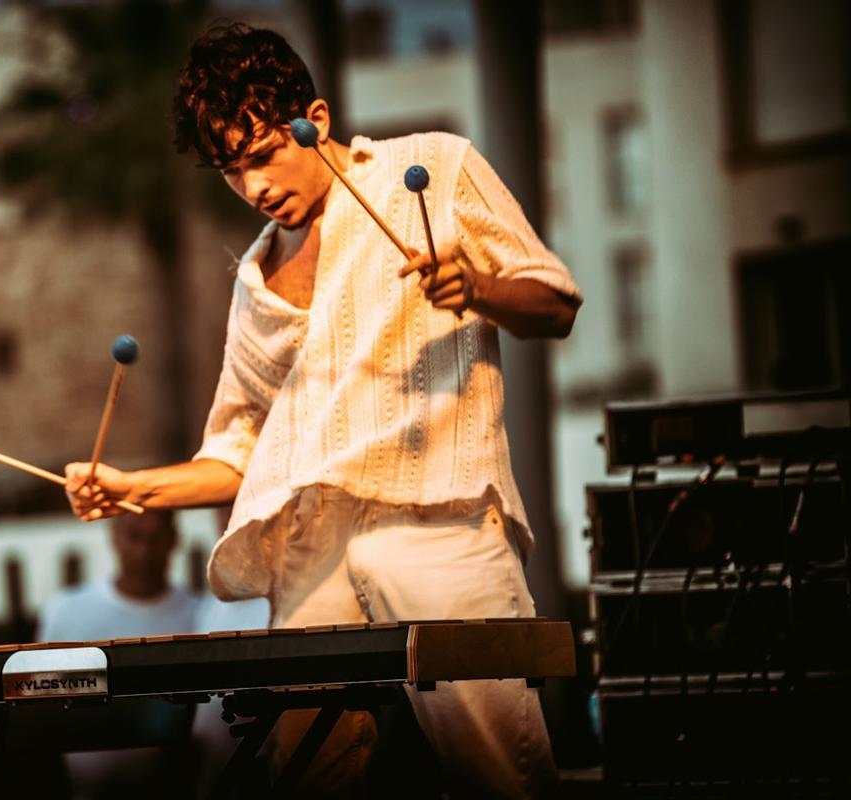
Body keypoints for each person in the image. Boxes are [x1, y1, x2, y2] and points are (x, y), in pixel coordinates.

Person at [63, 23, 581, 799]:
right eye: (231, 170)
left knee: (503, 777)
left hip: (437, 523)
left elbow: (556, 302)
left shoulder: (431, 168)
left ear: (317, 119)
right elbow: (239, 455)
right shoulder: (253, 280)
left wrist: (478, 287)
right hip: (313, 553)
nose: (254, 187)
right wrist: (133, 487)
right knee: (311, 779)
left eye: (264, 154)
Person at [36, 510, 200, 799]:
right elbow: (40, 707)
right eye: (135, 536)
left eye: (155, 537)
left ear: (174, 540)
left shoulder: (200, 614)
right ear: (114, 536)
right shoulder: (64, 610)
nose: (144, 551)